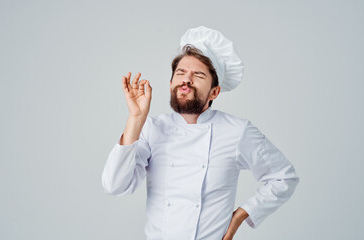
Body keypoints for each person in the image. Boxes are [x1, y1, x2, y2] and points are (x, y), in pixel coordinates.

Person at [102, 26, 299, 240]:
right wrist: (135, 119)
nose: (187, 79)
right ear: (171, 85)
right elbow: (115, 186)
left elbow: (284, 177)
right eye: (181, 73)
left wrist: (240, 216)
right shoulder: (151, 128)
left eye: (198, 75)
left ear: (214, 92)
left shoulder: (237, 131)